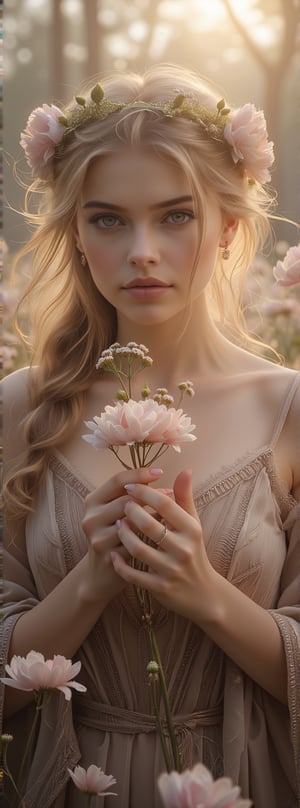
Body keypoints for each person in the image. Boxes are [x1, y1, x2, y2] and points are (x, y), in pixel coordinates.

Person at [1, 62, 300, 808]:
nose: (141, 250)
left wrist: (205, 594)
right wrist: (89, 582)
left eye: (175, 216)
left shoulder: (288, 409)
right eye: (108, 219)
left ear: (228, 226)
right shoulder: (19, 411)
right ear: (75, 232)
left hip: (246, 779)